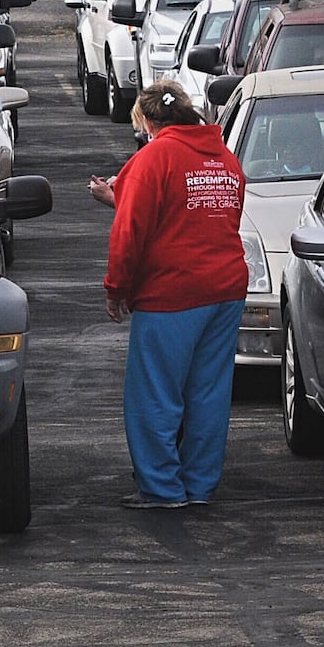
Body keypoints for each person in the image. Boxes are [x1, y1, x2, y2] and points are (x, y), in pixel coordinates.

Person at [101, 79, 248, 511]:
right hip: (225, 288)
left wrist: (117, 289)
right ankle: (200, 484)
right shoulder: (223, 158)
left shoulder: (153, 158)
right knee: (208, 393)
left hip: (172, 293)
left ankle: (162, 488)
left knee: (155, 394)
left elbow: (130, 232)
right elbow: (210, 212)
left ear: (148, 121)